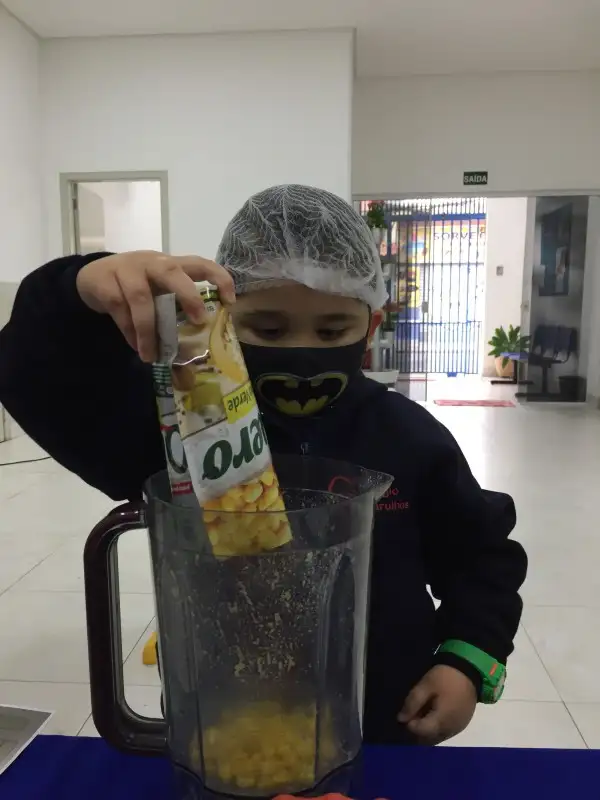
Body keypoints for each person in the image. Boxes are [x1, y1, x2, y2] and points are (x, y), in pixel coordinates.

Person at [0, 184, 527, 746]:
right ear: (223, 317)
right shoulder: (182, 425)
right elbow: (33, 378)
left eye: (332, 330)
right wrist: (76, 289)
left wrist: (466, 660)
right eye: (269, 329)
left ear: (369, 328)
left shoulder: (409, 436)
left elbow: (481, 556)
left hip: (382, 718)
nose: (302, 349)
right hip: (225, 719)